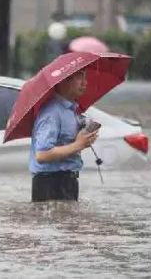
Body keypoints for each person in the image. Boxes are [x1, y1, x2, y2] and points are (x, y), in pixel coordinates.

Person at [29, 69, 99, 202]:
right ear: (63, 81)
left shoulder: (70, 110)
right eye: (79, 77)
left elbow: (68, 145)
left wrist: (83, 142)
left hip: (68, 180)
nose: (85, 83)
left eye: (85, 77)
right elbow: (42, 155)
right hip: (50, 183)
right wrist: (77, 145)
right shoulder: (51, 113)